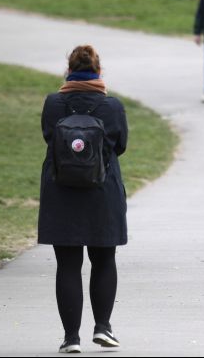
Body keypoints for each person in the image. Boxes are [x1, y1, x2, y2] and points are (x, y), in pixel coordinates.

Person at [38, 45, 128, 352]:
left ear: (68, 70)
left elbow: (50, 137)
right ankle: (103, 327)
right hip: (103, 192)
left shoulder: (53, 103)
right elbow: (121, 146)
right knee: (104, 259)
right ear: (99, 71)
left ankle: (71, 338)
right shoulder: (112, 107)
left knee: (68, 264)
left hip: (61, 192)